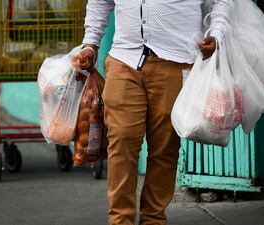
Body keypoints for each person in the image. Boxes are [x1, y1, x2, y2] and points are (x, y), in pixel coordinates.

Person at [73, 0, 234, 224]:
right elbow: (100, 2)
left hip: (176, 60)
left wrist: (217, 33)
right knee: (121, 141)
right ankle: (120, 220)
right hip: (124, 59)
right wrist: (91, 43)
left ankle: (153, 219)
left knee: (165, 147)